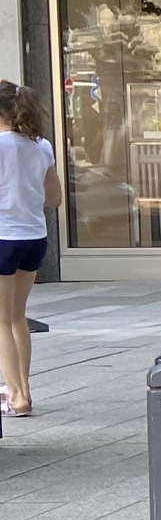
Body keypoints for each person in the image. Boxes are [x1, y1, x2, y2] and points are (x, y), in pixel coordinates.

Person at [0, 80, 61, 418]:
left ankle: (16, 397)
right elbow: (54, 198)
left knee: (1, 321)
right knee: (17, 317)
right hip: (34, 237)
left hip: (2, 236)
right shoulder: (42, 146)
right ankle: (23, 387)